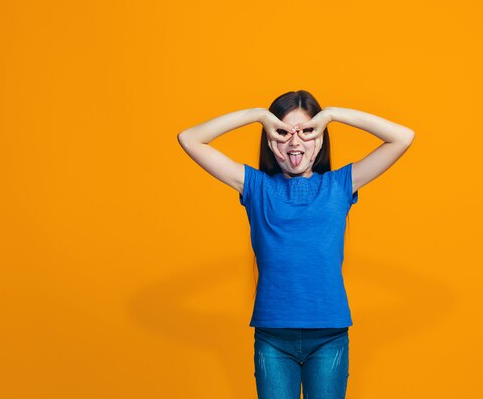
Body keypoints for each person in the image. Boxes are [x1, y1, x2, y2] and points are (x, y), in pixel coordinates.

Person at [177, 90, 415, 399]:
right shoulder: (256, 186)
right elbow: (189, 138)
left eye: (306, 132)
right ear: (270, 139)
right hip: (273, 338)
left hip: (329, 336)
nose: (294, 142)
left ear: (319, 137)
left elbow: (403, 137)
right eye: (283, 133)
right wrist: (259, 116)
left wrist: (332, 114)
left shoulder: (339, 185)